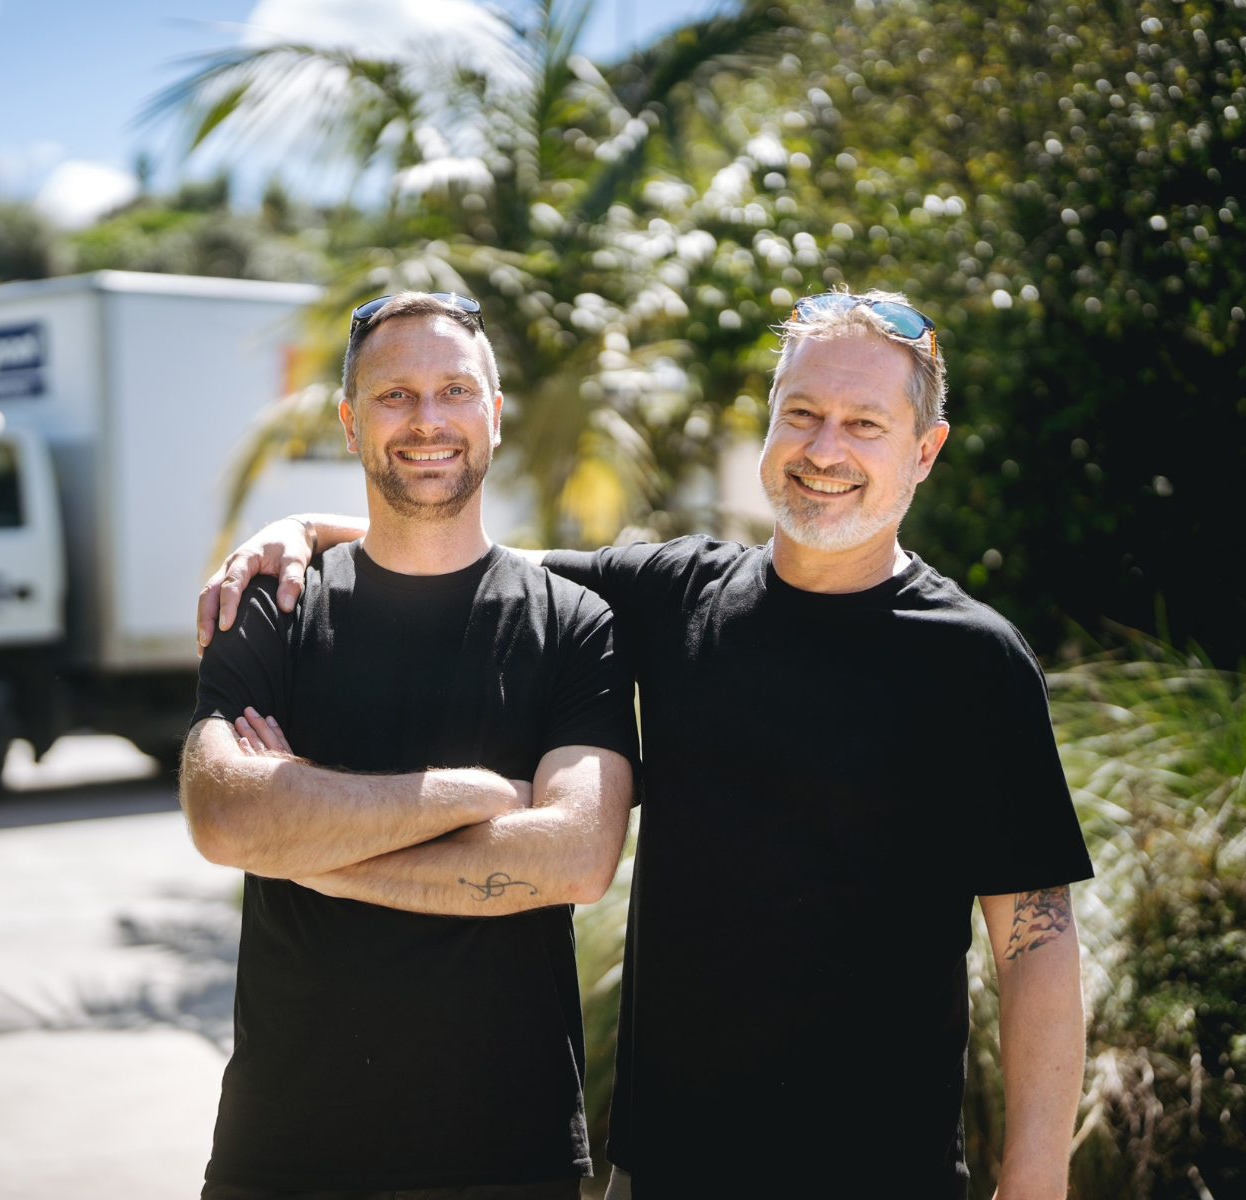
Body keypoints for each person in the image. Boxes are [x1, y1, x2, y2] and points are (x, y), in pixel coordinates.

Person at [198, 290, 1094, 1199]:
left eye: (865, 423)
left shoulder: (974, 659)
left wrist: (1035, 1178)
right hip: (665, 1170)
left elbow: (1036, 944)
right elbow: (462, 550)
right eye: (802, 414)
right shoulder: (676, 594)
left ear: (925, 451)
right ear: (769, 427)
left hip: (881, 1173)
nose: (825, 449)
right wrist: (300, 531)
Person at [180, 292, 641, 1199]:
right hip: (284, 1156)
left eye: (455, 391)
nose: (428, 419)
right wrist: (479, 795)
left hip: (510, 1159)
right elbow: (226, 817)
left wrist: (312, 844)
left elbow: (576, 858)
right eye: (394, 395)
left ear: (493, 414)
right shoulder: (272, 603)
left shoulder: (575, 624)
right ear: (351, 423)